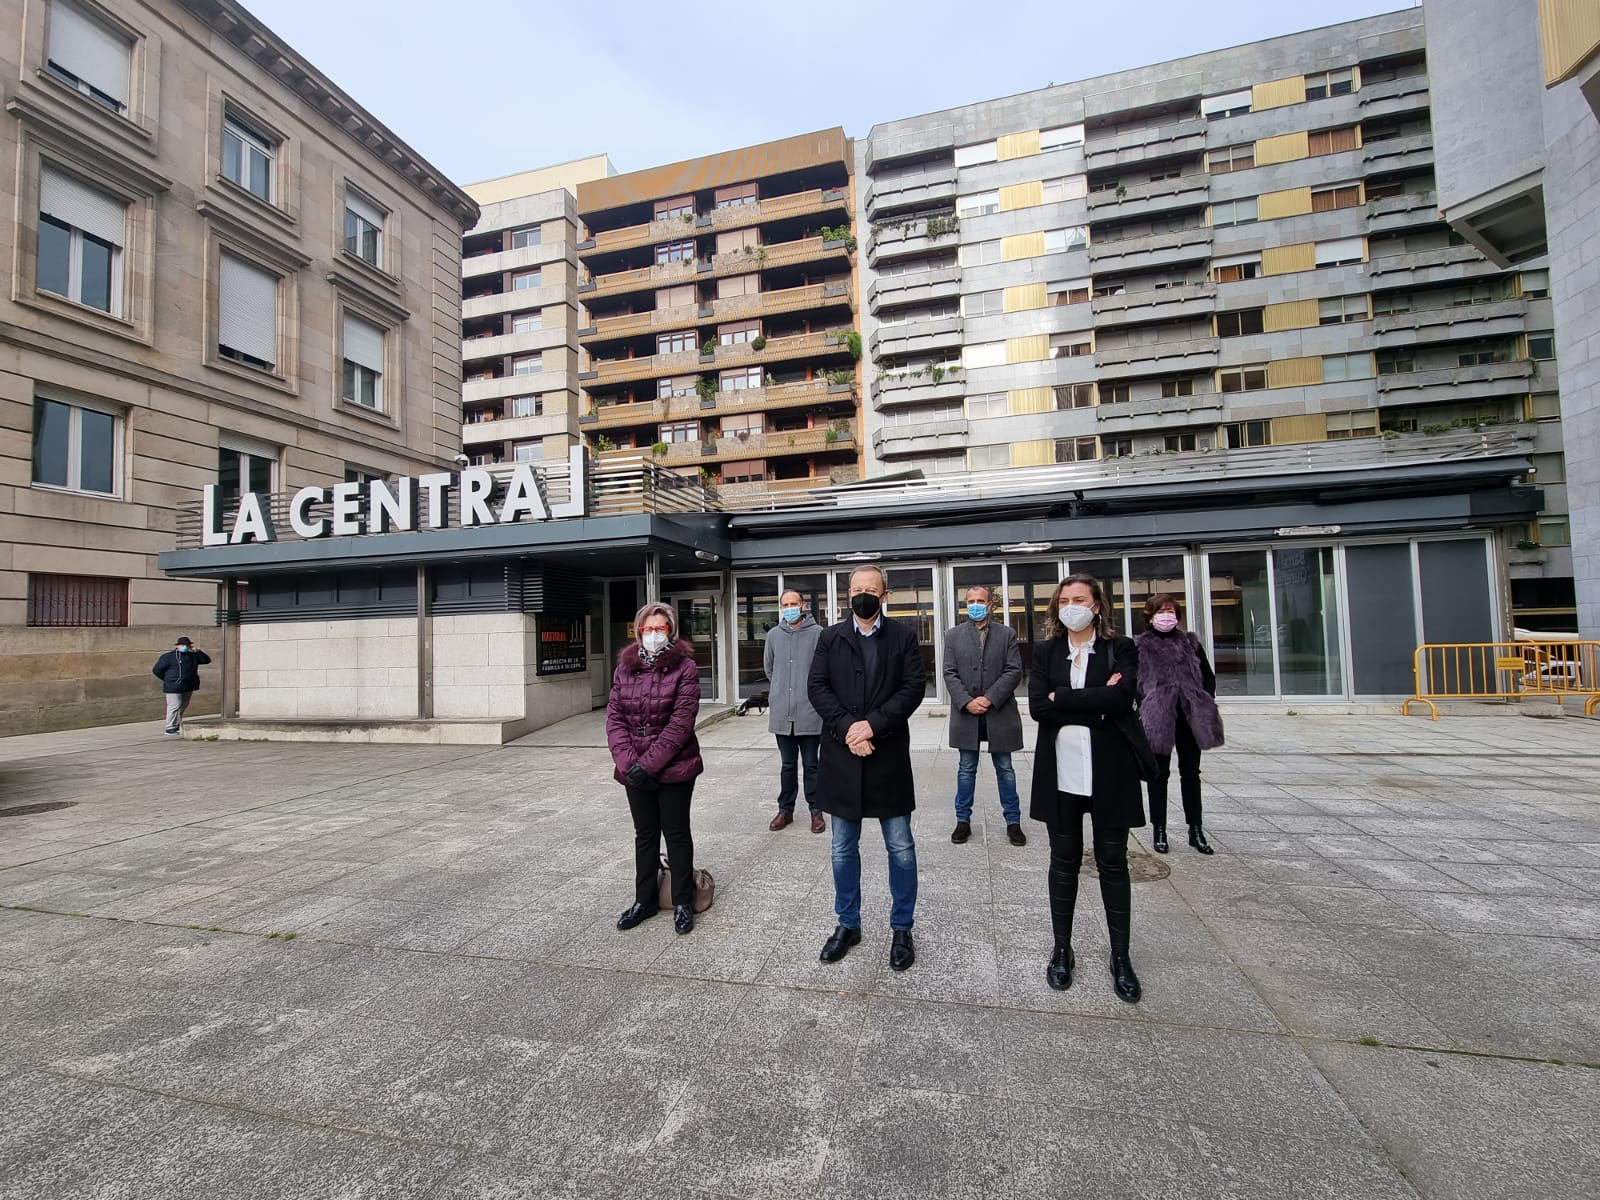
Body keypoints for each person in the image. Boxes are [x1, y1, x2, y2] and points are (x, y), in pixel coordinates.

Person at [1028, 574, 1146, 1003]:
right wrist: (1095, 697)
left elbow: (1123, 700)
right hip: (1061, 774)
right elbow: (1040, 706)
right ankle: (1062, 949)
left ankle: (1121, 956)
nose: (1070, 605)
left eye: (1079, 599)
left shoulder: (1122, 648)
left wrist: (1067, 699)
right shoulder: (1047, 652)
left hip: (1111, 772)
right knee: (1063, 860)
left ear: (1097, 605)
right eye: (1064, 600)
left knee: (1113, 860)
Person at [808, 564, 926, 971]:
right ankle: (848, 924)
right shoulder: (830, 637)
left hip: (887, 754)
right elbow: (817, 688)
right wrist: (849, 729)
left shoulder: (904, 637)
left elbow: (913, 687)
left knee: (901, 848)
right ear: (847, 594)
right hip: (842, 756)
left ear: (884, 594)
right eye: (856, 589)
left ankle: (902, 928)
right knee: (842, 848)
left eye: (870, 589)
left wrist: (872, 725)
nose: (862, 595)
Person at [606, 602, 704, 936]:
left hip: (675, 767)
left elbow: (681, 723)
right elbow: (615, 718)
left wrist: (647, 765)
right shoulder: (624, 669)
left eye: (660, 628)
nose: (653, 634)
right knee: (645, 835)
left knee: (676, 833)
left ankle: (681, 901)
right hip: (634, 769)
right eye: (647, 629)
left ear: (670, 631)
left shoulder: (686, 668)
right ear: (637, 631)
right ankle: (644, 900)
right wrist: (627, 763)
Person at [1135, 594, 1224, 855]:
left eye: (1170, 611)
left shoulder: (1190, 643)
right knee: (1158, 775)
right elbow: (1135, 682)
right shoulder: (1140, 645)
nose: (1166, 616)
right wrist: (1146, 703)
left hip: (1189, 715)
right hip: (1158, 717)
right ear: (1150, 616)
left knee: (1191, 773)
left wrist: (1203, 701)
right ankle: (1159, 829)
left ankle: (1195, 829)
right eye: (1161, 611)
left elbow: (1207, 677)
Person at [942, 585, 1025, 846]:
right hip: (967, 714)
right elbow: (949, 672)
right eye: (970, 601)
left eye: (980, 600)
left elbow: (1014, 670)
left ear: (991, 604)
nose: (975, 605)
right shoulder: (953, 635)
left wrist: (989, 698)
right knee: (966, 769)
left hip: (999, 712)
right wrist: (966, 701)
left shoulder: (1007, 634)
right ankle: (962, 821)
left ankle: (1013, 822)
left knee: (1005, 769)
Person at [763, 589, 825, 834]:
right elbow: (770, 669)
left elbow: (824, 670)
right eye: (785, 604)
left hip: (810, 712)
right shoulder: (774, 635)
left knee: (812, 765)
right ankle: (785, 810)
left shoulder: (818, 634)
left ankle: (816, 810)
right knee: (787, 765)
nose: (789, 608)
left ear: (803, 605)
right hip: (782, 713)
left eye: (793, 603)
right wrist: (781, 690)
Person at [151, 637, 210, 735]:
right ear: (177, 646)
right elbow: (157, 669)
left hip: (188, 685)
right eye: (183, 645)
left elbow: (206, 660)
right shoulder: (168, 657)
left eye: (187, 645)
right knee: (174, 705)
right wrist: (168, 680)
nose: (185, 647)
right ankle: (170, 727)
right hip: (173, 685)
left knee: (182, 706)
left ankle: (177, 724)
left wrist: (198, 651)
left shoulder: (192, 656)